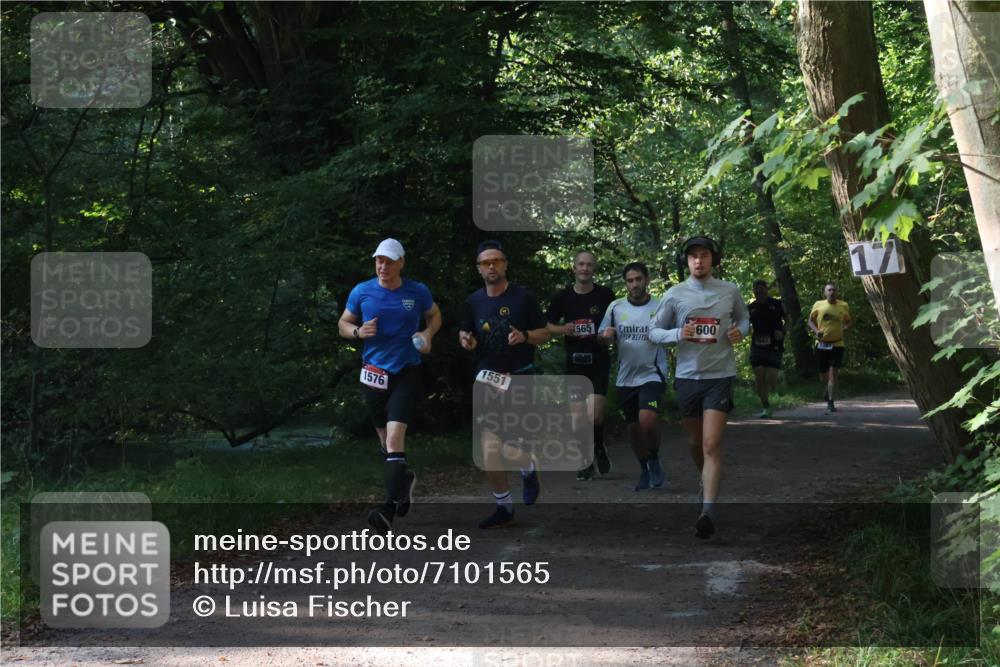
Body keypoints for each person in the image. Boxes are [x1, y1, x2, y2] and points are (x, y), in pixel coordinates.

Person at [338, 238, 441, 534]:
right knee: (385, 444)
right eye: (379, 261)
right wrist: (358, 331)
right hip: (373, 374)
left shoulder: (416, 291)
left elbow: (434, 315)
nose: (383, 266)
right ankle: (404, 481)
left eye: (389, 261)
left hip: (406, 372)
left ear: (401, 263)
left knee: (395, 441)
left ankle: (388, 509)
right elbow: (343, 323)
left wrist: (427, 333)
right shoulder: (362, 291)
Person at [649, 236, 749, 539]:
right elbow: (654, 331)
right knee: (695, 443)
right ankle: (704, 480)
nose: (698, 261)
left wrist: (739, 332)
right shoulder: (675, 294)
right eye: (693, 256)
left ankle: (707, 511)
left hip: (720, 376)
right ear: (687, 262)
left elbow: (745, 319)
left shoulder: (729, 290)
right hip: (688, 377)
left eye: (704, 255)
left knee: (711, 444)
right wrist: (680, 332)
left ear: (712, 259)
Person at [459, 240, 552, 529]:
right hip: (488, 376)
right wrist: (466, 340)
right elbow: (466, 332)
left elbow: (545, 333)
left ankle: (528, 468)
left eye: (496, 261)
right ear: (479, 268)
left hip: (521, 375)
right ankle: (504, 506)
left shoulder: (523, 298)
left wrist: (524, 336)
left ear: (505, 264)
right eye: (485, 262)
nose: (491, 266)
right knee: (488, 445)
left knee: (514, 446)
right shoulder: (473, 301)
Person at [598, 262, 669, 491]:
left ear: (646, 279)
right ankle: (645, 469)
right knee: (633, 430)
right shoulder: (615, 307)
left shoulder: (661, 306)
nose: (634, 284)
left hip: (653, 374)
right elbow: (602, 336)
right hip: (625, 378)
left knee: (647, 420)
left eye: (638, 279)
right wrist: (606, 337)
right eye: (630, 280)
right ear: (625, 283)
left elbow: (676, 333)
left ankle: (655, 459)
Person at [545, 251, 615, 481]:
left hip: (598, 361)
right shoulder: (562, 297)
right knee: (577, 419)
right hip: (574, 362)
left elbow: (615, 327)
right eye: (581, 264)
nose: (585, 268)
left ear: (594, 269)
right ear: (574, 268)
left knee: (594, 416)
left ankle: (598, 447)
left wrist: (607, 336)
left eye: (589, 265)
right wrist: (565, 329)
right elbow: (547, 326)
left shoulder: (605, 295)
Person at [808, 282, 852, 414]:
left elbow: (848, 321)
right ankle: (828, 390)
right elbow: (810, 321)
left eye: (834, 290)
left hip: (837, 344)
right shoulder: (818, 305)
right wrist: (816, 331)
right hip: (821, 344)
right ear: (825, 292)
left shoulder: (843, 305)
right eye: (829, 290)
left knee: (833, 372)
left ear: (836, 292)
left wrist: (844, 328)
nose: (832, 292)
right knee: (824, 376)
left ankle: (831, 403)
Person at [748, 279, 786, 418]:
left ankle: (779, 381)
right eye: (756, 288)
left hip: (774, 343)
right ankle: (766, 407)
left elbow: (788, 318)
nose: (758, 290)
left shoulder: (776, 304)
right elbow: (746, 324)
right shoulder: (751, 307)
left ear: (766, 289)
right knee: (759, 376)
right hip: (757, 344)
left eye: (761, 287)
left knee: (770, 378)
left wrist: (783, 332)